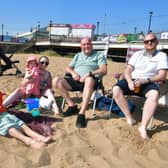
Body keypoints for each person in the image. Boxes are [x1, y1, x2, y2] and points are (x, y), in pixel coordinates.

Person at [112, 33, 168, 139]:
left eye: (152, 40)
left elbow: (162, 75)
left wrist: (145, 80)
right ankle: (129, 118)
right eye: (146, 41)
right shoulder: (137, 54)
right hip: (132, 81)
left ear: (156, 42)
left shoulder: (162, 56)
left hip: (148, 82)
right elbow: (127, 70)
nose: (149, 43)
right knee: (116, 89)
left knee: (154, 94)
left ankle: (143, 127)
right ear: (144, 43)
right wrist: (129, 81)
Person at [52, 37, 107, 128]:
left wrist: (89, 74)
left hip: (91, 81)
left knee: (89, 79)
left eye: (88, 44)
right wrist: (73, 73)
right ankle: (72, 106)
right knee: (55, 81)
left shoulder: (99, 55)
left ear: (91, 45)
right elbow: (68, 68)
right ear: (81, 46)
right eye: (84, 44)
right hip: (76, 80)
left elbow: (104, 70)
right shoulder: (78, 55)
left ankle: (81, 113)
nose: (86, 46)